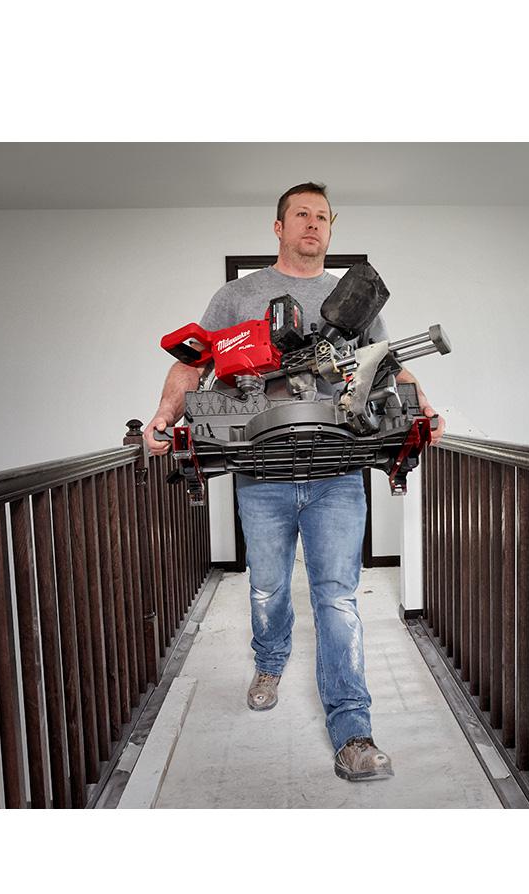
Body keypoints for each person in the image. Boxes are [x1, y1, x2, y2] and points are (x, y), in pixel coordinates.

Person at [146, 182, 445, 782]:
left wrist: (427, 410)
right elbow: (191, 363)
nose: (313, 224)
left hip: (337, 472)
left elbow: (386, 360)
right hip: (262, 475)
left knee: (337, 597)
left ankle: (353, 731)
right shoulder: (238, 296)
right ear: (278, 227)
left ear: (330, 229)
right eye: (300, 214)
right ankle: (270, 659)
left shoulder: (352, 300)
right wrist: (163, 416)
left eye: (322, 216)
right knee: (267, 587)